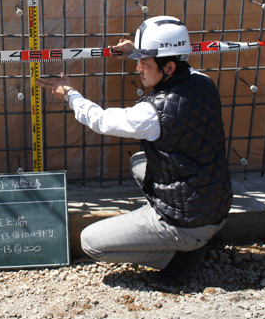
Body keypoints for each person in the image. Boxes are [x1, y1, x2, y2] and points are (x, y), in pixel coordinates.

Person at [36, 16, 232, 284]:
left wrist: (70, 94)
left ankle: (178, 257)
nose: (138, 67)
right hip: (215, 205)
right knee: (140, 162)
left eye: (145, 62)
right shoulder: (202, 81)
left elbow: (102, 121)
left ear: (169, 66)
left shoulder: (152, 114)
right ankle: (190, 236)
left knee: (92, 242)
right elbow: (165, 61)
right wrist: (135, 51)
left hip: (187, 222)